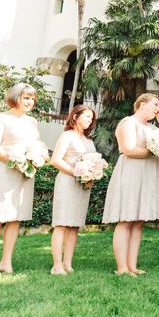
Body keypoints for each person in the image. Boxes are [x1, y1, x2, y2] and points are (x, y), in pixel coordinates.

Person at [102, 93, 159, 276]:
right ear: (142, 104)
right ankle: (122, 267)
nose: (157, 108)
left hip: (147, 174)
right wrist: (153, 151)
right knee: (126, 220)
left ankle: (133, 265)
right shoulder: (128, 123)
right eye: (155, 104)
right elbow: (128, 149)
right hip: (131, 173)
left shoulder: (153, 127)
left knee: (138, 222)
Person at [0, 83, 41, 274]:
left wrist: (35, 159)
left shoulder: (32, 122)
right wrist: (14, 162)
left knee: (15, 218)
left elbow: (36, 145)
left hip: (24, 173)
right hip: (3, 171)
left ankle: (6, 261)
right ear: (15, 97)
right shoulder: (0, 119)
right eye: (26, 98)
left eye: (32, 98)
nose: (30, 102)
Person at [49, 105, 99, 275]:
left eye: (91, 118)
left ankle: (68, 263)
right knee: (62, 224)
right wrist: (76, 173)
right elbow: (56, 160)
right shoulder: (67, 136)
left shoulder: (89, 141)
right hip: (67, 182)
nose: (89, 120)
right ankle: (57, 265)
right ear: (75, 116)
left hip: (82, 186)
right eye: (86, 117)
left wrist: (90, 176)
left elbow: (92, 162)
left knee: (74, 226)